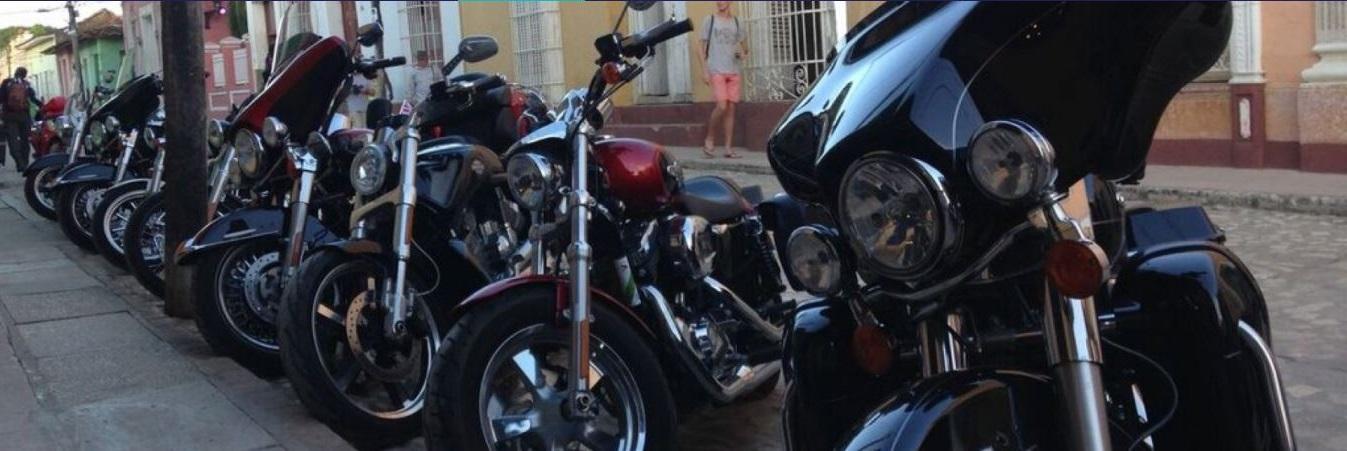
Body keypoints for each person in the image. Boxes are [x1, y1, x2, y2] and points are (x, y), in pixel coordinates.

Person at [697, 1, 747, 159]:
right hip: (717, 69)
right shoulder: (710, 20)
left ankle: (728, 148)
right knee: (722, 105)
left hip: (734, 71)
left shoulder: (737, 22)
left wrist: (742, 54)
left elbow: (745, 48)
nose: (720, 2)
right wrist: (704, 70)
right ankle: (710, 138)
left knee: (730, 109)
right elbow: (699, 47)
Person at [1, 67, 41, 171]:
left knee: (13, 142)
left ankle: (19, 163)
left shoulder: (6, 83)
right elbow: (33, 98)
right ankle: (25, 163)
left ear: (15, 73)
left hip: (9, 117)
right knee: (25, 140)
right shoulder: (26, 84)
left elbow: (1, 98)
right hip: (24, 116)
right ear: (24, 75)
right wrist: (42, 105)